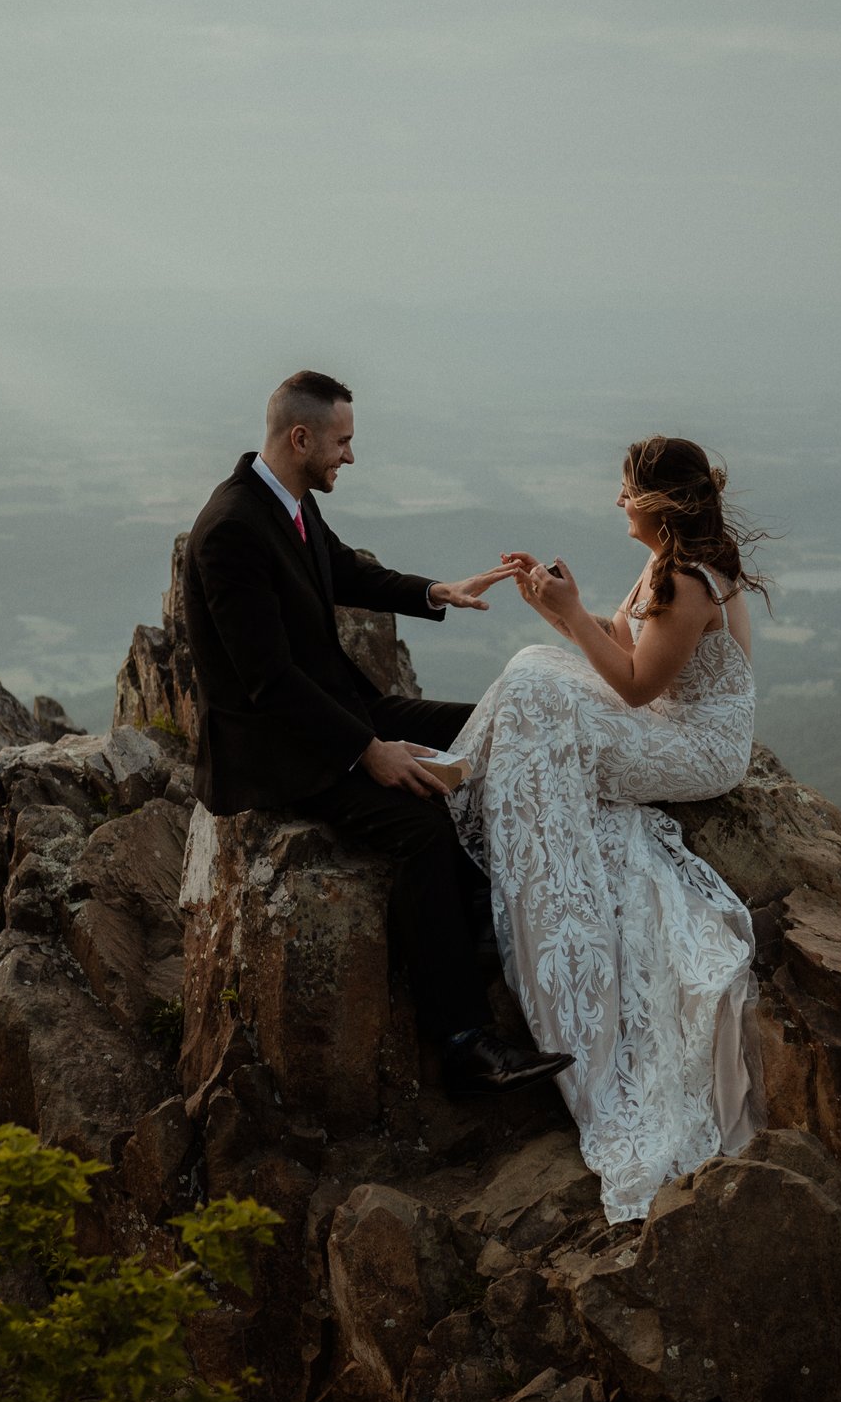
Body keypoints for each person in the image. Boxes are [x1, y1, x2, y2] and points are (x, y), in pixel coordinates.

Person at [181, 369, 574, 1094]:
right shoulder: (232, 529)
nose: (350, 457)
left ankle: (480, 930)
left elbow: (341, 571)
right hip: (277, 748)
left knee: (483, 724)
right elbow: (267, 681)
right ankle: (461, 1040)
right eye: (343, 442)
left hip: (335, 711)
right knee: (420, 824)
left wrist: (436, 592)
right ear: (301, 438)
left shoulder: (287, 502)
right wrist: (369, 752)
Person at [445, 435, 770, 1221]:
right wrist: (554, 608)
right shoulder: (668, 563)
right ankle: (476, 794)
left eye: (625, 492)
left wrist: (568, 618)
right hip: (663, 714)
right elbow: (623, 642)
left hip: (697, 744)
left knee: (541, 706)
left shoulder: (689, 579)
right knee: (529, 671)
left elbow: (630, 685)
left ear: (657, 505)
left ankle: (492, 831)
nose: (617, 503)